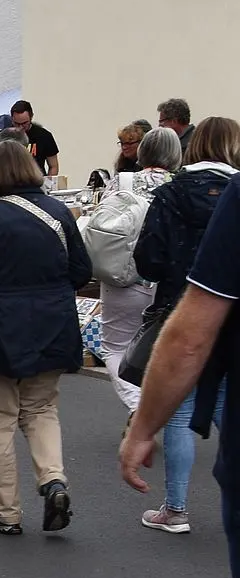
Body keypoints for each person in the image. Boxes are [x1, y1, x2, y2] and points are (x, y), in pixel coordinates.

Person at [0, 140, 91, 534]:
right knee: (41, 408)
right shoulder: (59, 212)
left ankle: (7, 513)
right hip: (52, 323)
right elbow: (81, 271)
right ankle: (54, 481)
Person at [130, 118, 240, 533]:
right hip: (232, 314)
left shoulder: (171, 194)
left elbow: (149, 259)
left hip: (181, 303)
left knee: (178, 412)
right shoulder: (236, 193)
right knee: (226, 402)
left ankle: (175, 508)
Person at [91, 128, 179, 413]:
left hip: (122, 276)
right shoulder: (181, 185)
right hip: (165, 280)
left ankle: (136, 406)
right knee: (164, 350)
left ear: (142, 151)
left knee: (115, 347)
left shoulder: (121, 181)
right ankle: (157, 409)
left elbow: (100, 221)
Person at [10, 100, 60, 177]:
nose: (20, 127)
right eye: (16, 123)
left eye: (24, 123)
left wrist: (48, 183)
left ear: (31, 117)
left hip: (37, 181)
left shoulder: (44, 136)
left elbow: (53, 166)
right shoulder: (3, 136)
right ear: (12, 119)